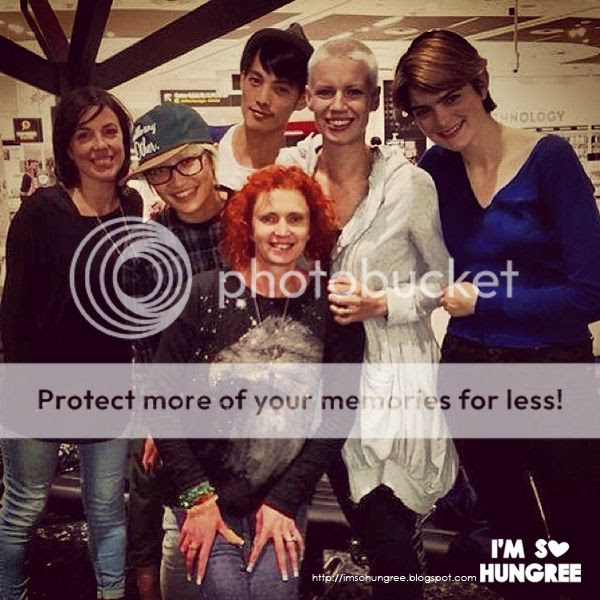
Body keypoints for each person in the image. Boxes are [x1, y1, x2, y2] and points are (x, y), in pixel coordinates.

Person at [393, 29, 600, 600]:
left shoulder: (548, 159)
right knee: (507, 528)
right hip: (469, 365)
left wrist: (486, 301)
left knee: (578, 524)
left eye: (451, 97)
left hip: (554, 369)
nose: (441, 119)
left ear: (480, 84)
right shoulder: (435, 169)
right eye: (424, 110)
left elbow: (591, 292)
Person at [279, 39, 457, 600]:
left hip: (389, 380)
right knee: (297, 527)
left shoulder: (410, 186)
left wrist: (381, 303)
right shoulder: (289, 175)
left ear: (374, 99)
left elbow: (441, 281)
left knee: (386, 532)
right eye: (326, 91)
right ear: (308, 97)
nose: (339, 105)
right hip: (308, 379)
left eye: (353, 92)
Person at [152, 164, 364, 600]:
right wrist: (198, 499)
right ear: (247, 225)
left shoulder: (333, 306)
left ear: (312, 228)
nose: (282, 231)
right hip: (203, 494)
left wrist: (285, 501)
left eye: (295, 218)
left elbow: (337, 415)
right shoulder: (203, 293)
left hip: (282, 495)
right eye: (269, 218)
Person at [0, 87, 142, 600]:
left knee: (107, 508)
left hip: (107, 383)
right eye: (85, 134)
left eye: (110, 131)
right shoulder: (40, 212)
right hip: (38, 382)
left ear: (124, 138)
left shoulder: (132, 205)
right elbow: (13, 315)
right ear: (68, 147)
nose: (101, 145)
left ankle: (111, 593)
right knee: (25, 506)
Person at [122, 103, 224, 600]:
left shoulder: (255, 219)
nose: (177, 181)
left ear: (210, 157)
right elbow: (144, 345)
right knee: (181, 536)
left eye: (186, 162)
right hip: (183, 414)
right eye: (159, 172)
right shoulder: (147, 248)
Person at [216, 23, 312, 194]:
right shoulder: (204, 154)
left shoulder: (302, 175)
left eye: (280, 89)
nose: (262, 99)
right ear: (242, 79)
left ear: (302, 99)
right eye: (255, 81)